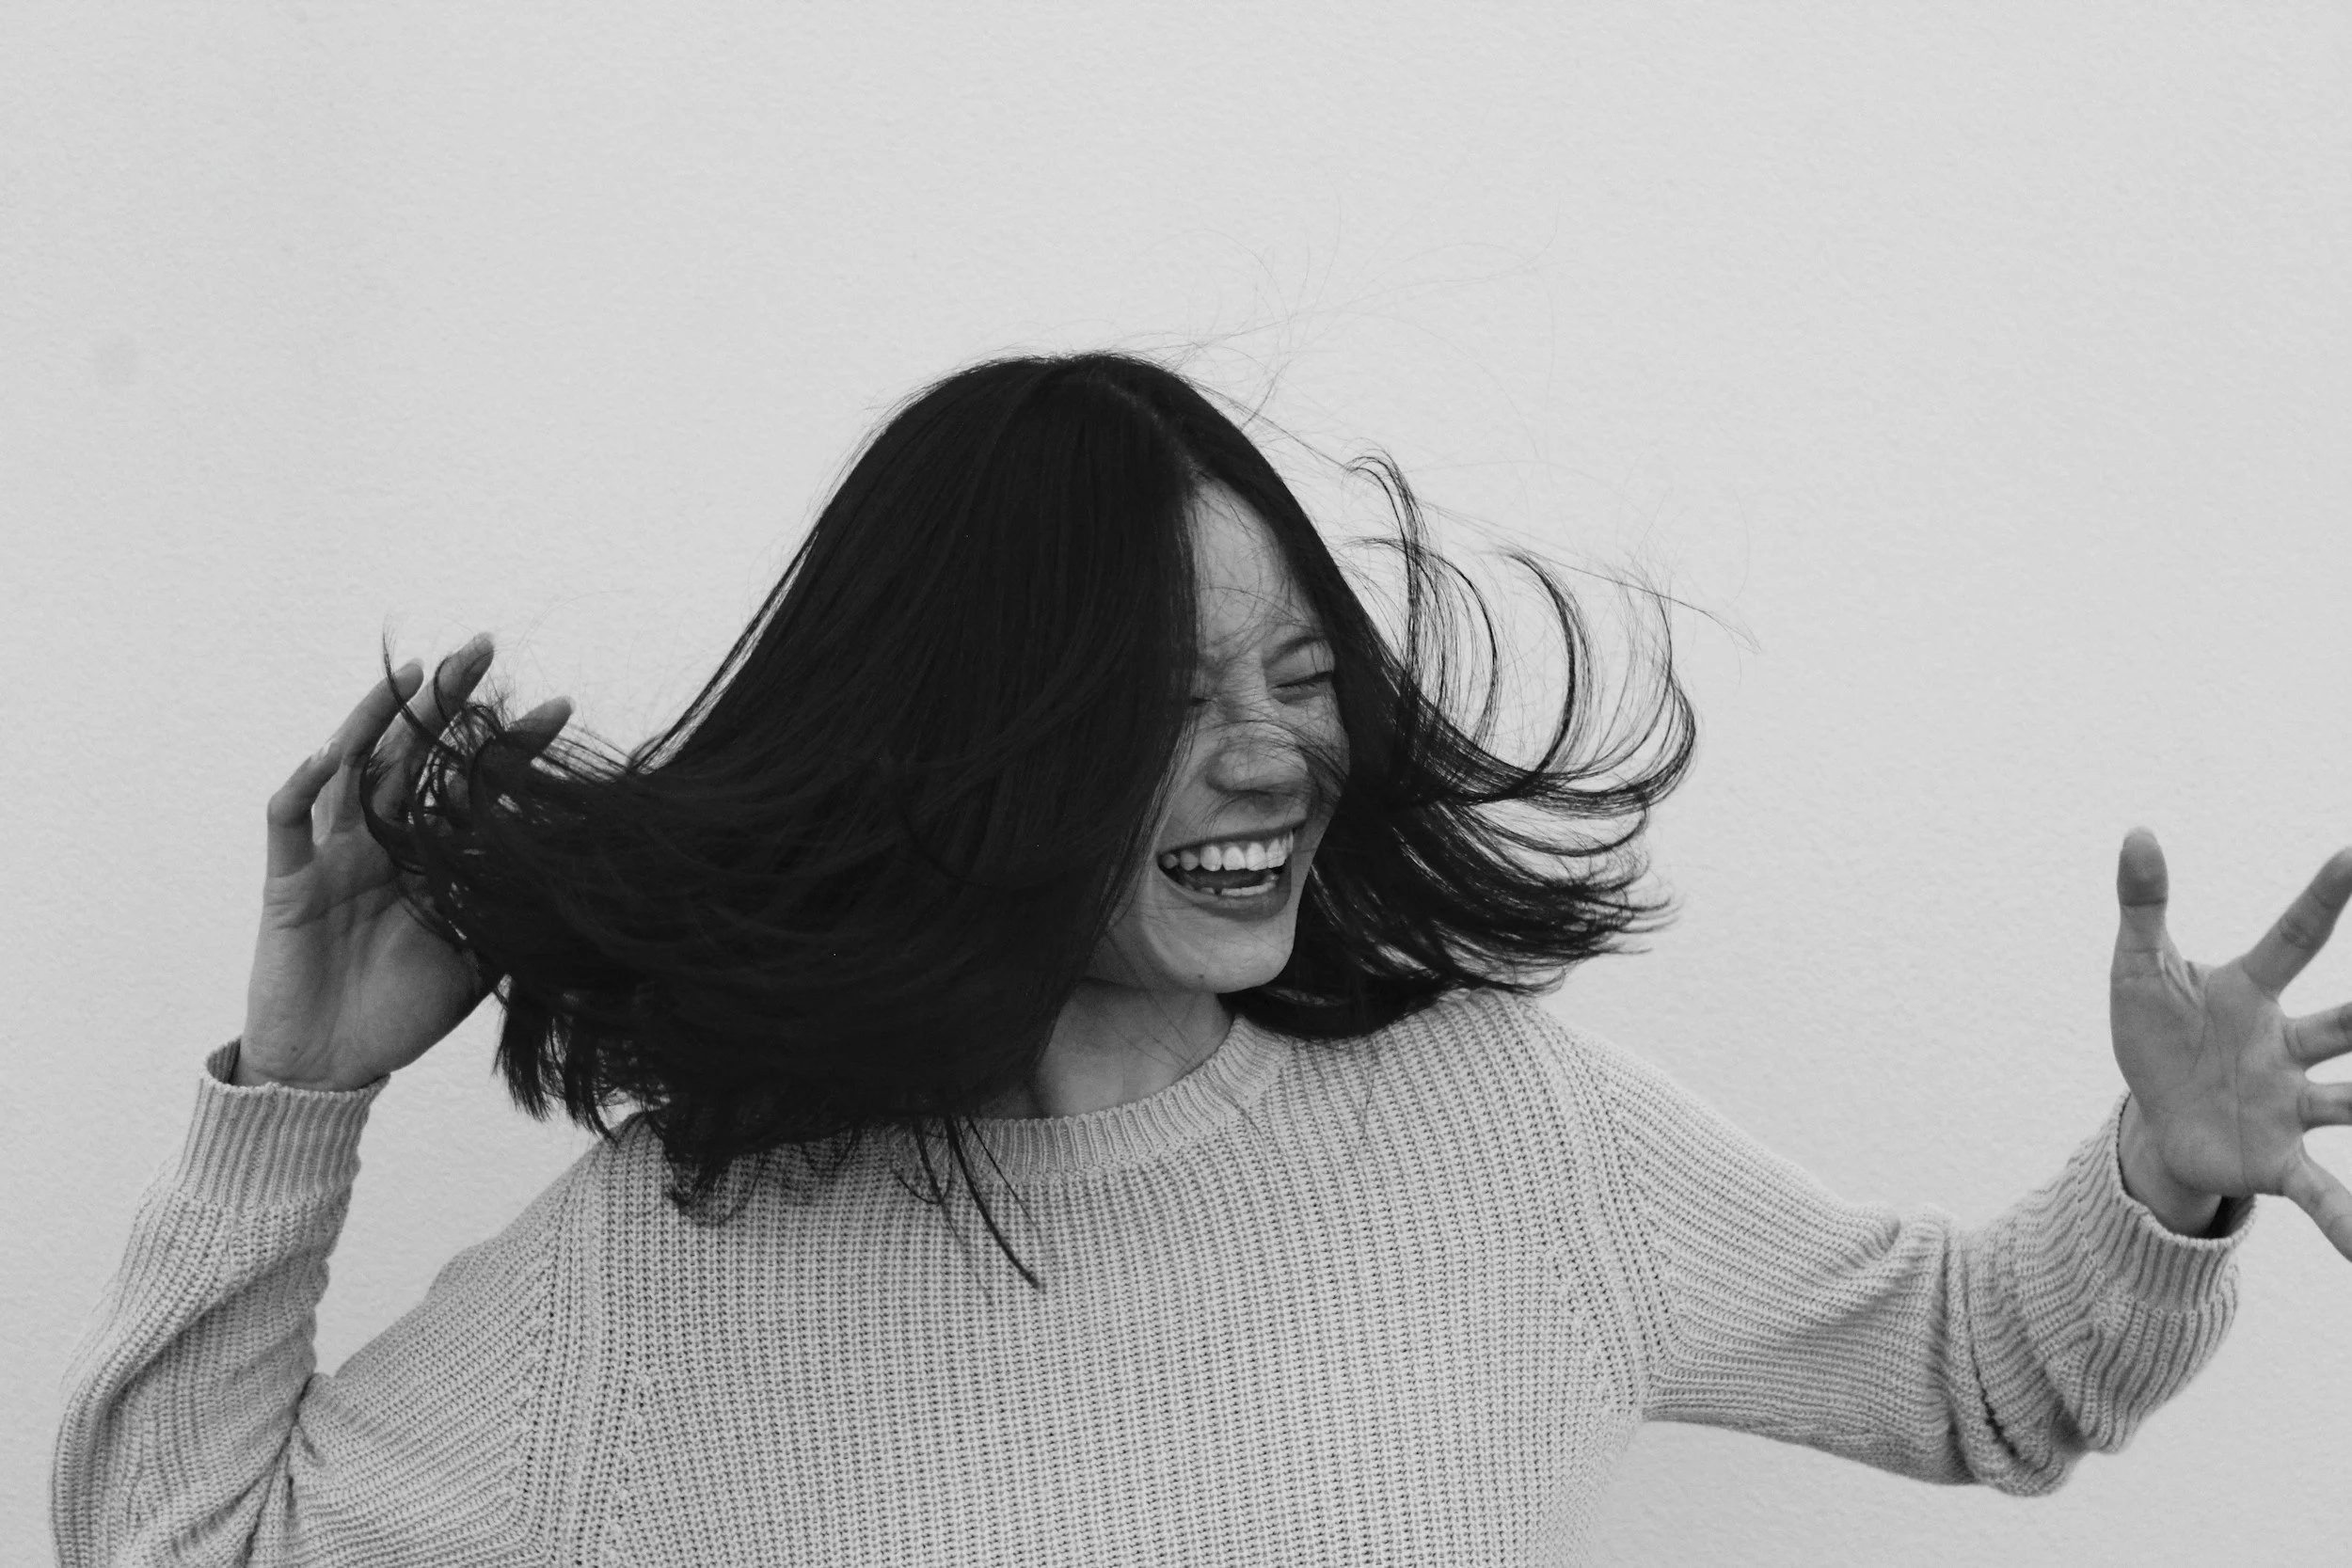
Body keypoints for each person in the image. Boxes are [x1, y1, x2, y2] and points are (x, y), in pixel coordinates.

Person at [52, 352, 2352, 1566]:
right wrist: (294, 1092)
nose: (1276, 751)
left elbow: (1966, 1363)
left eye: (1295, 666)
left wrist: (2163, 1179)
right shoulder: (672, 1261)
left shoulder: (1489, 1125)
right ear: (974, 747)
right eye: (1169, 687)